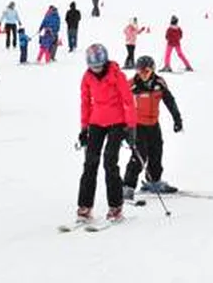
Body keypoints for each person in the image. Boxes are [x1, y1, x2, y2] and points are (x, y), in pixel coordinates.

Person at [76, 44, 137, 225]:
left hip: (117, 122)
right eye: (93, 67)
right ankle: (85, 206)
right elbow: (85, 102)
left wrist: (131, 127)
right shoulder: (87, 77)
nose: (96, 70)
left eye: (99, 66)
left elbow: (128, 101)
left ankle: (115, 206)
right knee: (90, 163)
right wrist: (84, 128)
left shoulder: (117, 75)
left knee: (110, 161)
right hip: (96, 121)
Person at [123, 56, 184, 199]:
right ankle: (127, 186)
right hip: (137, 125)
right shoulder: (132, 84)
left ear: (153, 70)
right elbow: (119, 104)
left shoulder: (159, 83)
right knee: (140, 155)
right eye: (140, 71)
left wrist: (177, 119)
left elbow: (169, 101)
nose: (143, 74)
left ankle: (153, 181)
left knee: (157, 152)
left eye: (147, 71)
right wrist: (123, 127)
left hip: (154, 124)